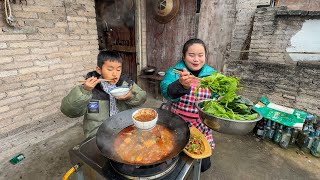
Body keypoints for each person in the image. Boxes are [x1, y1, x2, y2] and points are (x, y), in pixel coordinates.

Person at [61, 51, 147, 138]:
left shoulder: (126, 84)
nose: (115, 74)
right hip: (98, 134)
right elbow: (69, 112)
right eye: (110, 69)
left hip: (124, 128)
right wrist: (85, 91)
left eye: (118, 69)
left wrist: (130, 97)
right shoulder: (90, 88)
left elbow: (142, 97)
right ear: (99, 70)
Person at [160, 38, 216, 172]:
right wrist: (181, 85)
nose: (196, 59)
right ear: (184, 56)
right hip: (177, 124)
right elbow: (166, 91)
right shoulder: (174, 72)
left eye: (200, 55)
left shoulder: (213, 75)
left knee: (203, 166)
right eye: (191, 55)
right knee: (173, 162)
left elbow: (216, 99)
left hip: (201, 126)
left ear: (205, 56)